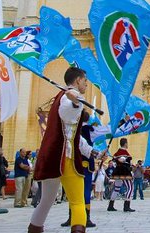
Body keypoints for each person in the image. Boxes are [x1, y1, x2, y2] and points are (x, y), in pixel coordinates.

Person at [28, 67, 96, 233]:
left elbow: (71, 134)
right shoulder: (68, 97)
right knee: (78, 201)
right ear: (78, 80)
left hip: (51, 158)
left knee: (46, 201)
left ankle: (34, 229)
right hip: (65, 159)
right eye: (85, 81)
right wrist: (75, 103)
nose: (86, 84)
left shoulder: (63, 96)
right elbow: (68, 114)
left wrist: (89, 151)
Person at [108, 137, 135, 212]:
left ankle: (110, 205)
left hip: (117, 171)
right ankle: (126, 205)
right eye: (127, 143)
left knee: (116, 188)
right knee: (130, 187)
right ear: (125, 144)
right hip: (124, 171)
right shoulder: (125, 153)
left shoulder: (117, 153)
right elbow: (128, 162)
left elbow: (114, 160)